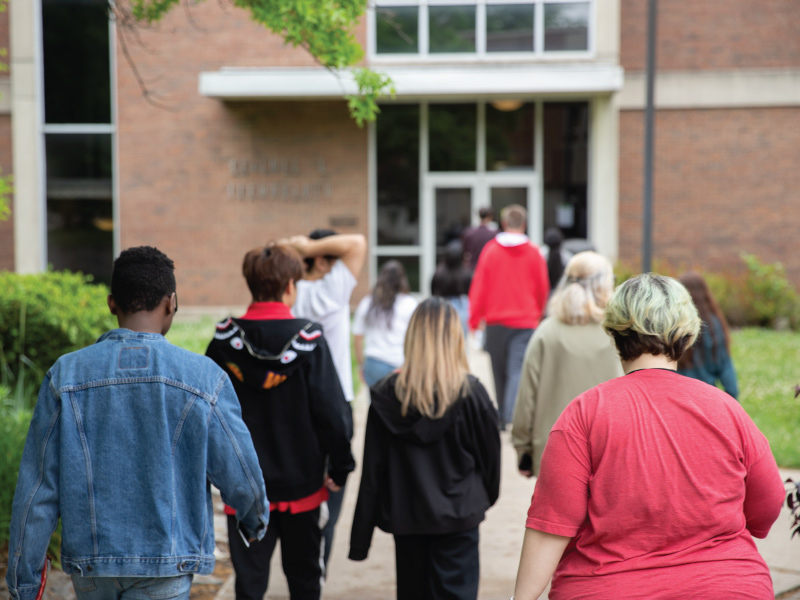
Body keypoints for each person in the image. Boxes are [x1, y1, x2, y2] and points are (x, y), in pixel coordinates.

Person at [6, 246, 269, 600]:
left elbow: (37, 491)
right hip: (167, 565)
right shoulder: (204, 378)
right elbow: (240, 470)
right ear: (171, 302)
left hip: (92, 566)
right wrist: (254, 521)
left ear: (112, 303)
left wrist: (24, 582)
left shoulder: (65, 376)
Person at [513, 273, 785, 600]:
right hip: (728, 585)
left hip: (606, 586)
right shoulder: (726, 409)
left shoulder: (583, 413)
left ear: (614, 332)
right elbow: (767, 506)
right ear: (687, 334)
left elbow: (551, 525)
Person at [205, 244, 355, 600]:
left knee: (250, 585)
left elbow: (206, 414)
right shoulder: (311, 340)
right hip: (302, 486)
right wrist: (341, 465)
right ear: (291, 285)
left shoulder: (222, 342)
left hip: (243, 489)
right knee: (305, 581)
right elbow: (332, 414)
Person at [349, 298, 501, 600]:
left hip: (408, 517)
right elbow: (491, 463)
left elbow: (372, 473)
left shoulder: (385, 396)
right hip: (458, 515)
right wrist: (480, 499)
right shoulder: (472, 394)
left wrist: (360, 539)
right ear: (455, 338)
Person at [285, 229, 366, 570]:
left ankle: (300, 565)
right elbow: (358, 243)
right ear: (321, 259)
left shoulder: (288, 292)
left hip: (296, 406)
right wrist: (309, 246)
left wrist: (296, 247)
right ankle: (316, 572)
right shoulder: (333, 288)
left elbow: (269, 250)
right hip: (336, 404)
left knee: (300, 494)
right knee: (331, 499)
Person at [511, 251, 623, 478]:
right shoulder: (619, 334)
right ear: (603, 285)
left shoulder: (547, 332)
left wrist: (523, 447)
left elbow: (527, 396)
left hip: (555, 452)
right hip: (611, 452)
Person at [468, 204, 549, 429]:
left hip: (495, 321)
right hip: (525, 320)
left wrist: (475, 320)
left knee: (498, 369)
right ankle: (508, 414)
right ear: (524, 224)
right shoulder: (534, 252)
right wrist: (540, 313)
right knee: (516, 368)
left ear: (504, 224)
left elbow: (479, 287)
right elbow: (543, 287)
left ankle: (504, 415)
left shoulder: (491, 251)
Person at [353, 260, 418, 388]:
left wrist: (361, 365)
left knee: (375, 406)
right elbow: (417, 339)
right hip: (400, 364)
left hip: (374, 362)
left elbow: (357, 337)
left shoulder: (368, 302)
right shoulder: (410, 303)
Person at [678, 271, 739, 399]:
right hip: (707, 398)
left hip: (678, 396)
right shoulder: (714, 325)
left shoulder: (674, 326)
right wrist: (731, 396)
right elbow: (725, 366)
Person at [430, 239, 472, 337]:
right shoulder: (466, 274)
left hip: (442, 306)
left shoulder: (439, 273)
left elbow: (432, 291)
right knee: (461, 339)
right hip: (462, 308)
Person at [461, 206, 498, 270]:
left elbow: (464, 252)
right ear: (490, 216)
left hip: (472, 269)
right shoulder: (495, 235)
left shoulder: (469, 233)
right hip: (488, 269)